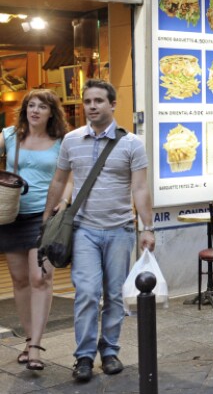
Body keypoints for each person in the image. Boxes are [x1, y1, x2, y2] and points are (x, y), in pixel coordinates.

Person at [42, 79, 155, 383]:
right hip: (84, 231)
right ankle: (83, 355)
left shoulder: (131, 143)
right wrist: (46, 215)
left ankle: (110, 351)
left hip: (119, 229)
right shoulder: (71, 140)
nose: (92, 106)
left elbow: (140, 187)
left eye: (98, 101)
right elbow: (59, 179)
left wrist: (147, 227)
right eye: (87, 101)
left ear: (113, 104)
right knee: (88, 293)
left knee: (115, 295)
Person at [0, 90, 70, 372]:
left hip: (44, 217)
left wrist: (63, 202)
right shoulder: (9, 136)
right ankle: (28, 339)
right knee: (19, 280)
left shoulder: (61, 142)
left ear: (51, 112)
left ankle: (36, 347)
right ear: (25, 110)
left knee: (40, 277)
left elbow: (68, 177)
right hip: (11, 215)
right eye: (31, 105)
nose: (35, 110)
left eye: (42, 106)